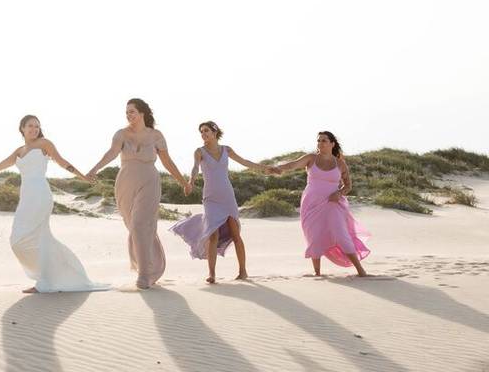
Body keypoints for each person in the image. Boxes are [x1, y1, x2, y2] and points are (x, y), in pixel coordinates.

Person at [0, 115, 106, 293]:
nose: (34, 129)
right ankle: (50, 277)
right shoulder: (19, 151)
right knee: (18, 240)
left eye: (37, 126)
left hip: (40, 195)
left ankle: (44, 281)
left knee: (37, 237)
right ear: (22, 128)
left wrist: (83, 177)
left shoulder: (44, 144)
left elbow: (63, 162)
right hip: (26, 196)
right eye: (30, 126)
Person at [86, 98, 191, 289]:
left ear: (142, 113)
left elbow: (167, 161)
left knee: (140, 223)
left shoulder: (156, 135)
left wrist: (183, 182)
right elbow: (111, 153)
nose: (129, 115)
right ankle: (149, 266)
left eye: (132, 111)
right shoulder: (121, 134)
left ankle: (144, 275)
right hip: (125, 183)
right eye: (127, 112)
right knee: (134, 227)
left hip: (149, 181)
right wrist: (95, 169)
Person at [169, 120, 276, 283]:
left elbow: (245, 162)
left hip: (227, 196)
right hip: (211, 198)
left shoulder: (227, 150)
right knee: (213, 234)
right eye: (201, 132)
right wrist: (190, 182)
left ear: (215, 132)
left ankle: (243, 271)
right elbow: (195, 168)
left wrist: (265, 168)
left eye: (206, 131)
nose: (203, 134)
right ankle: (212, 274)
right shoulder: (199, 151)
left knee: (235, 234)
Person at [272, 131, 370, 277]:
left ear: (332, 144)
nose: (320, 143)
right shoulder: (311, 158)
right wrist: (279, 168)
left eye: (324, 140)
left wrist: (339, 193)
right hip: (311, 203)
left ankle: (361, 271)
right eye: (319, 141)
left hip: (333, 203)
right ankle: (317, 273)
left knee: (341, 234)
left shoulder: (340, 163)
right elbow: (293, 165)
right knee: (314, 236)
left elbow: (348, 185)